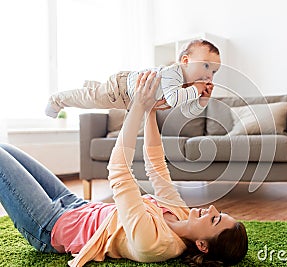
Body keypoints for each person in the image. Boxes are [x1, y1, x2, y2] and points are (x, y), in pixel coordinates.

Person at [0, 71, 248, 266]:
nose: (212, 209)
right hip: (76, 205)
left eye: (215, 219)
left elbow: (119, 172)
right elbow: (156, 164)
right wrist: (150, 111)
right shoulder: (182, 213)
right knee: (5, 148)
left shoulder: (153, 244)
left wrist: (137, 107)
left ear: (203, 245)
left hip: (50, 225)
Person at [45, 39, 221, 119]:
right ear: (185, 61)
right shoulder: (173, 72)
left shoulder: (185, 87)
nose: (209, 75)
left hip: (130, 100)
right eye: (206, 66)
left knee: (96, 94)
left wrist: (202, 100)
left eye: (214, 71)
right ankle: (57, 100)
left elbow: (187, 112)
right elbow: (172, 99)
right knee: (92, 100)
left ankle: (91, 86)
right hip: (122, 90)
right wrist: (197, 90)